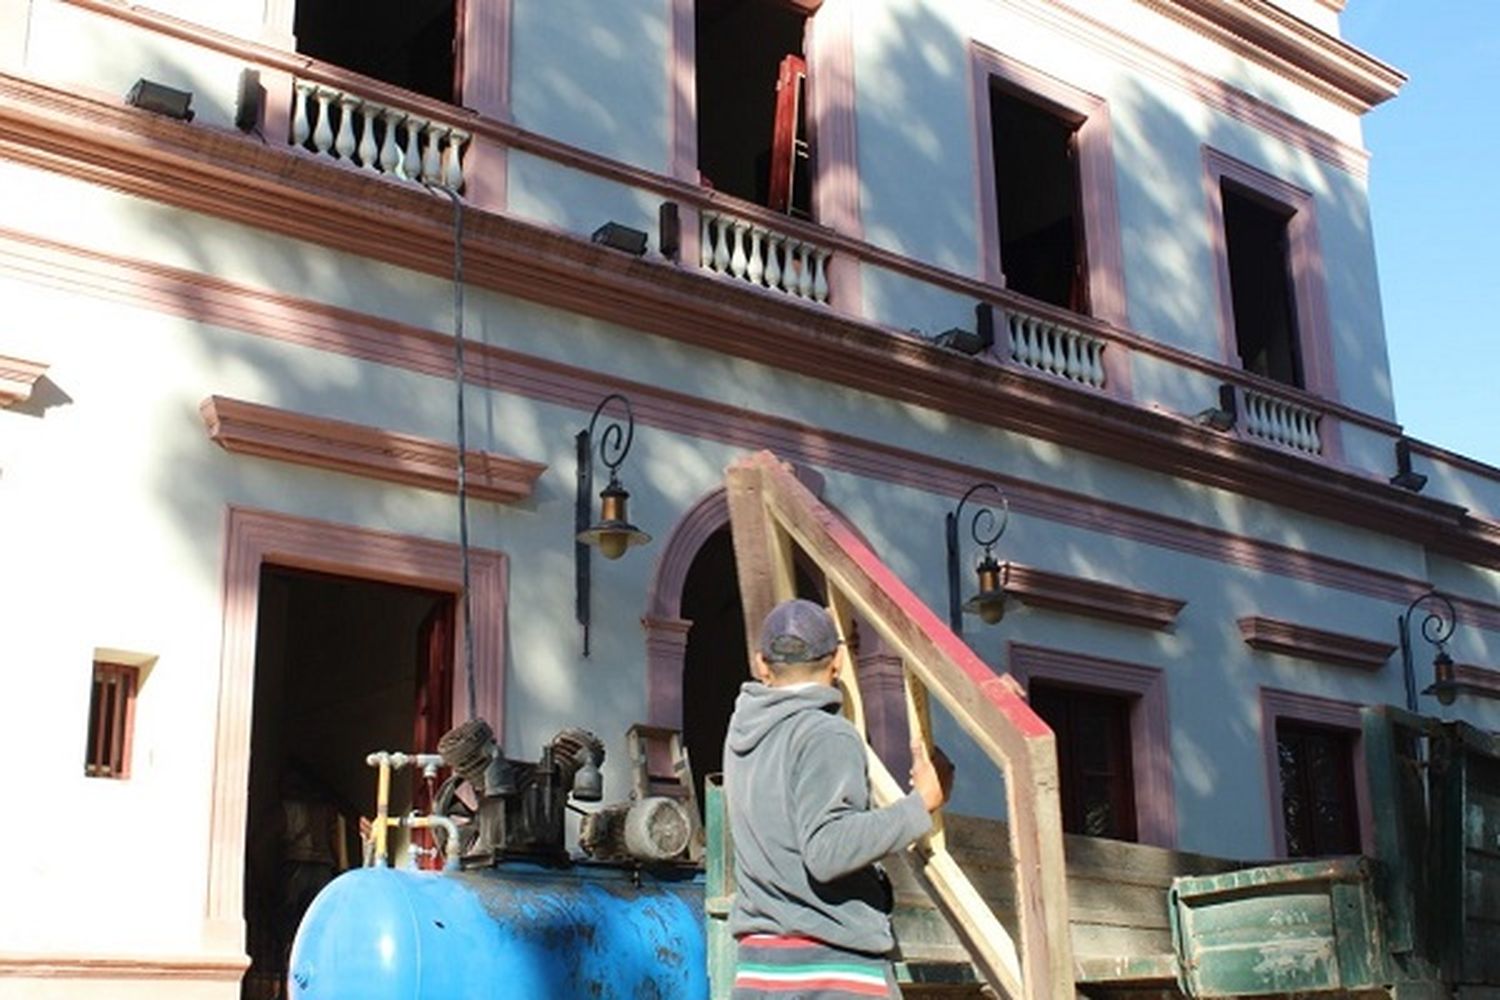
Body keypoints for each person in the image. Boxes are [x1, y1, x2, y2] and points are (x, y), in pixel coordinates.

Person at [722, 598, 949, 999]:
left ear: (761, 664)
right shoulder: (826, 733)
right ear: (839, 660)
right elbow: (828, 849)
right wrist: (921, 803)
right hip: (828, 975)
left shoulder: (744, 733)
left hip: (761, 971)